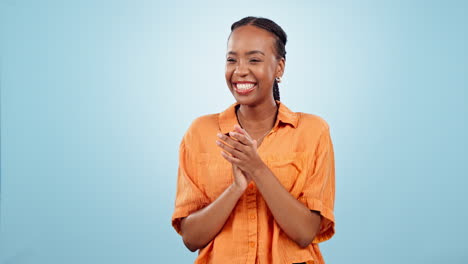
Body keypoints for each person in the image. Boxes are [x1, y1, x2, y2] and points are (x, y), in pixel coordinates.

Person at [171, 16, 336, 264]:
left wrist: (256, 168)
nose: (240, 70)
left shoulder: (313, 131)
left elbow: (305, 233)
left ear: (279, 67)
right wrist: (236, 188)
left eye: (254, 59)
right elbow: (191, 238)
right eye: (231, 59)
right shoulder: (200, 132)